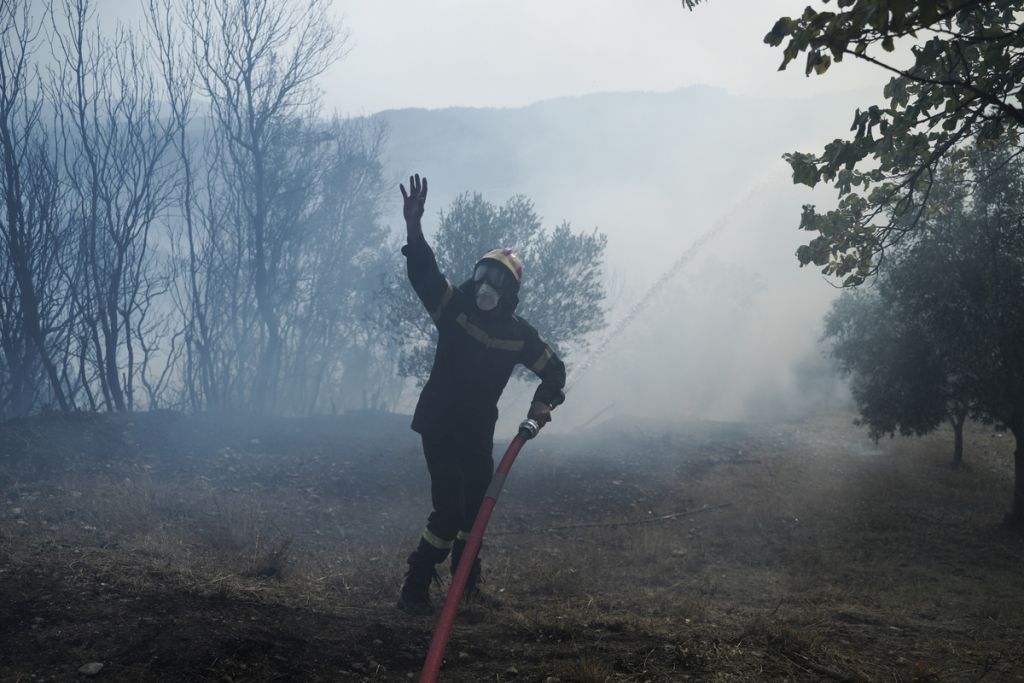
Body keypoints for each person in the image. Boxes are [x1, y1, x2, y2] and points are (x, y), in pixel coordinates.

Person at [397, 174, 566, 615]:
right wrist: (414, 230)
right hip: (438, 426)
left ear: (511, 291)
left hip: (475, 434)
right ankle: (415, 587)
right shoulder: (455, 309)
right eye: (484, 272)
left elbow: (555, 371)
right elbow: (424, 274)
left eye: (498, 278)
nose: (488, 283)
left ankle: (466, 590)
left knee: (474, 516)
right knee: (449, 513)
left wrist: (541, 404)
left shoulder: (518, 335)